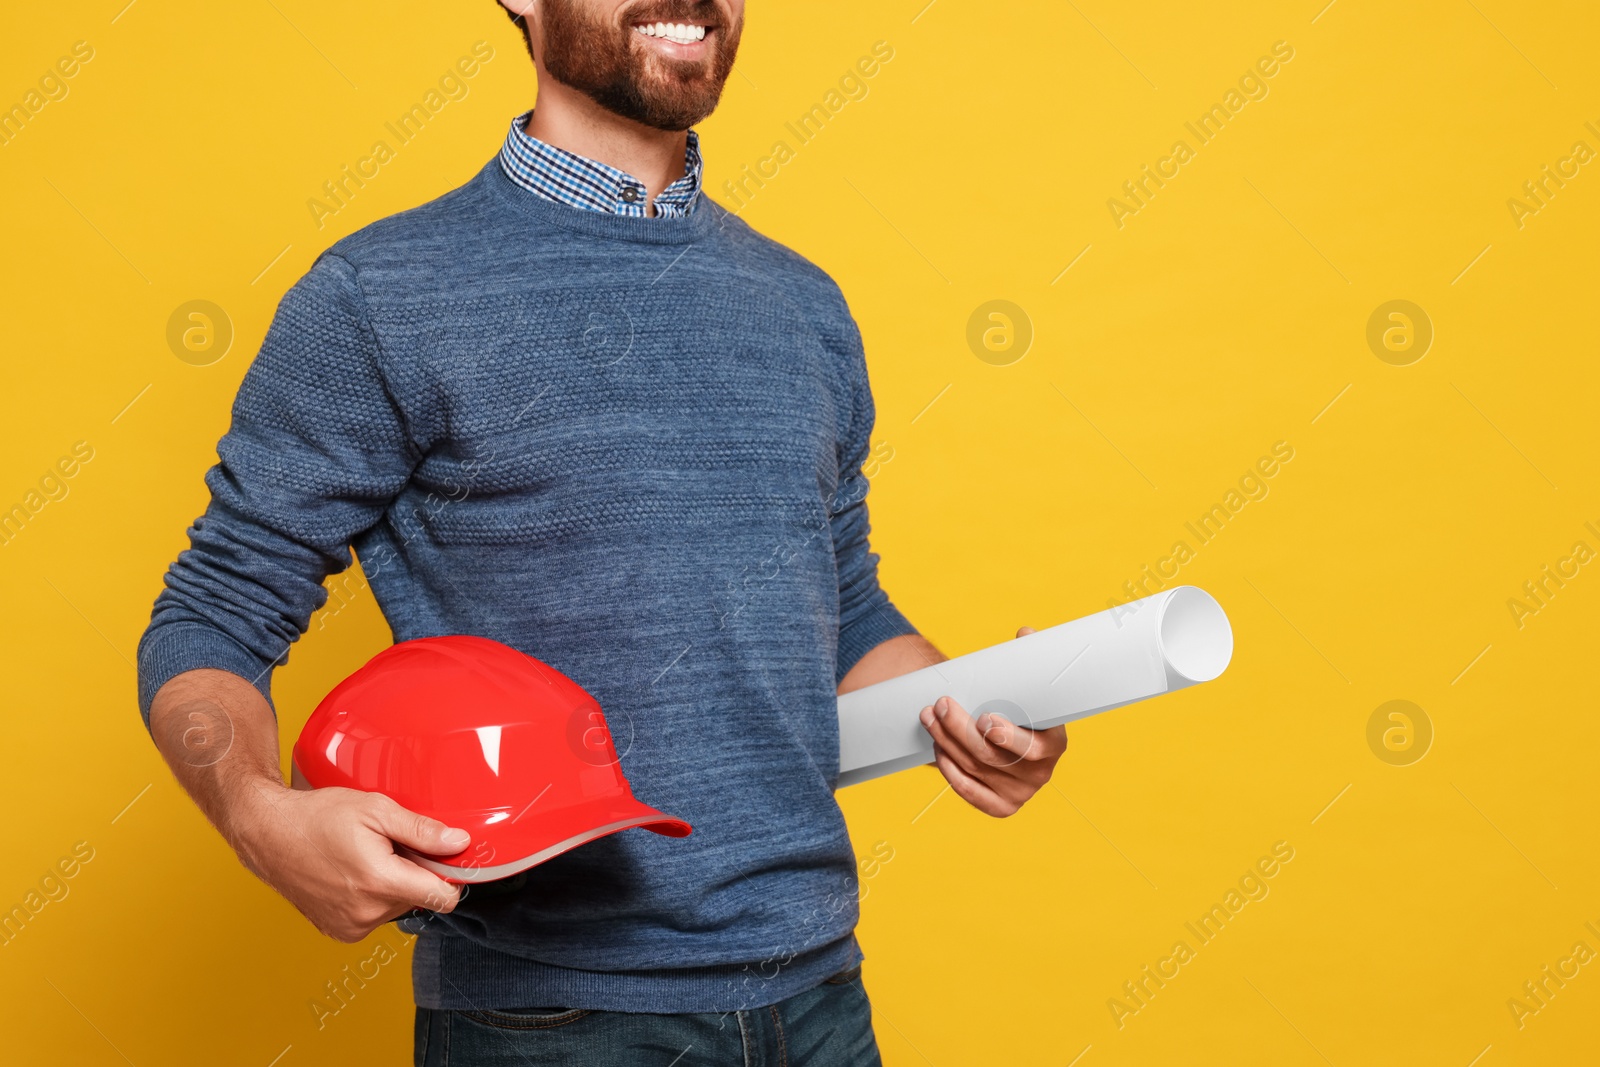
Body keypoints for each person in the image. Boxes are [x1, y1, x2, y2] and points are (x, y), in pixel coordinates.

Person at [135, 1, 1066, 1062]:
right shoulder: (378, 296)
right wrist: (259, 816)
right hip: (553, 1021)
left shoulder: (803, 305)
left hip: (817, 997)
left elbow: (841, 602)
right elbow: (211, 617)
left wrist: (973, 714)